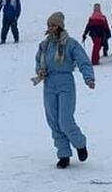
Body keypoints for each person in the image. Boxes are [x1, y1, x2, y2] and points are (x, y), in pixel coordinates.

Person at [34, 12, 95, 169]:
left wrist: (88, 77)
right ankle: (63, 155)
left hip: (65, 82)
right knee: (53, 121)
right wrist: (40, 71)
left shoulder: (70, 44)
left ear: (60, 26)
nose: (50, 28)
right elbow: (38, 60)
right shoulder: (44, 45)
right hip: (49, 84)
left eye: (53, 25)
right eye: (49, 25)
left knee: (65, 120)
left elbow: (83, 61)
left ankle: (80, 144)